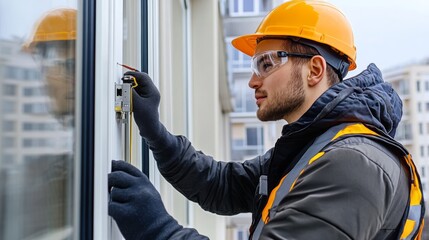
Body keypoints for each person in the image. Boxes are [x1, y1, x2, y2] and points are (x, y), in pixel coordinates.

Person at [108, 0, 425, 239]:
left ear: (315, 69)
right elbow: (224, 186)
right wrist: (155, 133)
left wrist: (158, 230)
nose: (253, 81)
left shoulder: (353, 164)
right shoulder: (313, 149)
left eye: (266, 64)